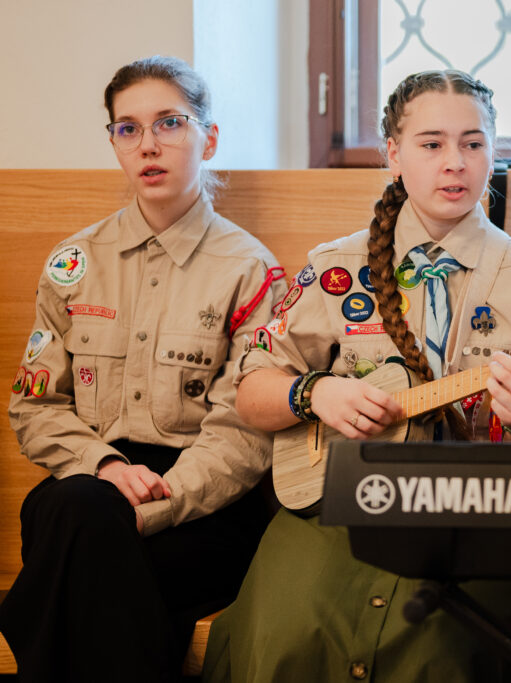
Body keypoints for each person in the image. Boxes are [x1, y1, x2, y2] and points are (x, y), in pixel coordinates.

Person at [202, 69, 511, 683]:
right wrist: (316, 392)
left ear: (492, 152)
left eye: (473, 143)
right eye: (432, 144)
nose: (455, 162)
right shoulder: (335, 269)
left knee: (442, 650)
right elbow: (251, 394)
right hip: (339, 507)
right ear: (393, 154)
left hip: (486, 514)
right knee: (286, 631)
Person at [0, 56, 287, 683]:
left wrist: (153, 505)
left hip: (202, 508)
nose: (148, 145)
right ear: (113, 143)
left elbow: (244, 432)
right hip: (87, 479)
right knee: (79, 510)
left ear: (209, 138)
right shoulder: (74, 262)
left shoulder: (250, 270)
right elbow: (34, 406)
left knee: (76, 556)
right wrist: (104, 467)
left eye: (169, 123)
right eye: (127, 129)